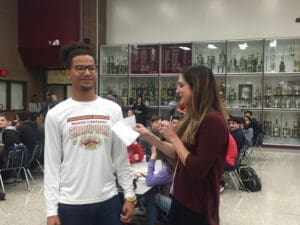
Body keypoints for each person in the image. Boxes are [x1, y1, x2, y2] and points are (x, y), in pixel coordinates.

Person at [44, 42, 135, 225]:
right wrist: (51, 210)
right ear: (68, 73)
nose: (87, 73)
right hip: (70, 203)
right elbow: (52, 166)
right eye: (80, 68)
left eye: (91, 68)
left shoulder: (114, 109)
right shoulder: (56, 114)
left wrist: (130, 195)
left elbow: (120, 157)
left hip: (108, 201)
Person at [135, 65, 229, 225]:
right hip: (181, 198)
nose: (177, 90)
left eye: (181, 85)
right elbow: (179, 154)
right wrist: (150, 137)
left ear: (197, 88)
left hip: (197, 206)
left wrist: (174, 137)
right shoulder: (194, 118)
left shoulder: (213, 121)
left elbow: (197, 168)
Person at [144, 145, 174, 225]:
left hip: (178, 208)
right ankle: (160, 218)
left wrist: (153, 157)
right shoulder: (174, 163)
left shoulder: (169, 169)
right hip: (188, 206)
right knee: (155, 191)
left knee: (152, 197)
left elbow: (149, 181)